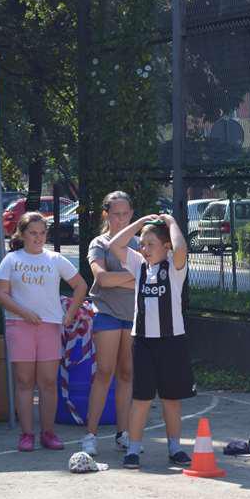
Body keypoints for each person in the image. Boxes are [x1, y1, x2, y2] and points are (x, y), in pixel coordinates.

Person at [0, 212, 88, 452]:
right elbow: (1, 293)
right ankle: (27, 434)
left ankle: (48, 433)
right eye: (33, 233)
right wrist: (24, 312)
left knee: (48, 382)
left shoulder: (55, 259)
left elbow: (81, 286)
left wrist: (70, 314)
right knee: (24, 381)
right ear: (22, 234)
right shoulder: (11, 260)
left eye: (42, 233)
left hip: (50, 326)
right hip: (19, 326)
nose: (38, 238)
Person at [109, 213, 195, 470]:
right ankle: (133, 450)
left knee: (171, 398)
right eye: (142, 244)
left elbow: (181, 249)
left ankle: (175, 448)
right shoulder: (138, 265)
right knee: (141, 398)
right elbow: (115, 244)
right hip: (143, 342)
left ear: (166, 246)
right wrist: (140, 223)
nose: (144, 249)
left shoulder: (174, 266)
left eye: (150, 244)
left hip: (172, 341)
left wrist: (171, 223)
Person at [81, 191, 138, 456]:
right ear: (106, 214)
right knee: (104, 371)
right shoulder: (99, 243)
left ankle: (123, 433)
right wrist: (132, 276)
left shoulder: (139, 244)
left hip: (134, 315)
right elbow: (102, 279)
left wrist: (123, 278)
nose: (121, 219)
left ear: (132, 214)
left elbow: (149, 277)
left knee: (127, 373)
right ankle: (90, 435)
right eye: (116, 214)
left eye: (125, 214)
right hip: (106, 312)